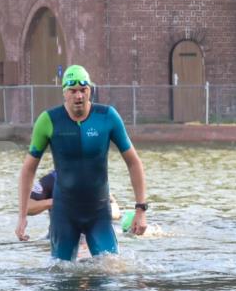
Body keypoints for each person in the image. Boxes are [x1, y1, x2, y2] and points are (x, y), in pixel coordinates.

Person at [16, 65, 148, 261]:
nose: (78, 96)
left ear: (90, 90)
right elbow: (28, 169)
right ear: (64, 93)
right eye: (73, 91)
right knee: (61, 272)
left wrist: (140, 209)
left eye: (83, 90)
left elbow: (134, 162)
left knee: (111, 268)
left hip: (98, 212)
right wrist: (22, 217)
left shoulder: (107, 117)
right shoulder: (48, 120)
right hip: (64, 214)